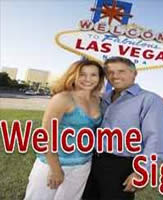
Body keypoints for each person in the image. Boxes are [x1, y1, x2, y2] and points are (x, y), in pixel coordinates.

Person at [83, 56, 163, 200]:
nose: (115, 76)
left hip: (121, 167)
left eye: (121, 71)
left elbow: (155, 139)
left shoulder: (150, 100)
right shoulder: (103, 98)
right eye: (109, 72)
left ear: (134, 74)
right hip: (92, 162)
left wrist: (143, 172)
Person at [24, 59, 105, 200]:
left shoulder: (98, 100)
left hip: (82, 165)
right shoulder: (62, 98)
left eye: (93, 75)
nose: (88, 79)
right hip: (52, 164)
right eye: (83, 74)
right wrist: (55, 169)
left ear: (99, 78)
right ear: (74, 75)